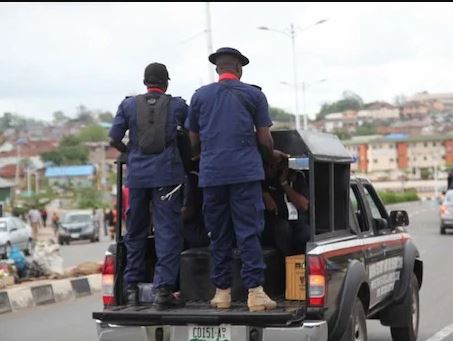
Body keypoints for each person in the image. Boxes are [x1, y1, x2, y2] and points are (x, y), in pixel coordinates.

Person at [187, 47, 282, 312]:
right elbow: (264, 138)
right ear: (239, 70)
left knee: (218, 234)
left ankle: (222, 293)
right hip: (245, 174)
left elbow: (193, 139)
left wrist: (203, 156)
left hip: (212, 174)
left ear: (218, 70)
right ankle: (255, 293)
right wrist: (269, 157)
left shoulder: (199, 97)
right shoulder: (254, 95)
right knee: (248, 232)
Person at [109, 62, 187, 310]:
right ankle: (163, 290)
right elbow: (194, 132)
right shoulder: (177, 105)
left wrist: (129, 153)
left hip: (137, 178)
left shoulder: (128, 105)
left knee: (135, 231)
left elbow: (113, 138)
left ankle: (131, 288)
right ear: (166, 83)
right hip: (167, 177)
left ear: (145, 82)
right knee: (167, 232)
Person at [262, 158, 310, 257]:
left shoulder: (297, 177)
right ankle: (288, 265)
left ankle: (300, 266)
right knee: (283, 229)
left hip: (296, 220)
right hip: (277, 220)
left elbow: (303, 206)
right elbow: (271, 207)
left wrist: (284, 184)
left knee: (305, 233)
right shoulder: (265, 181)